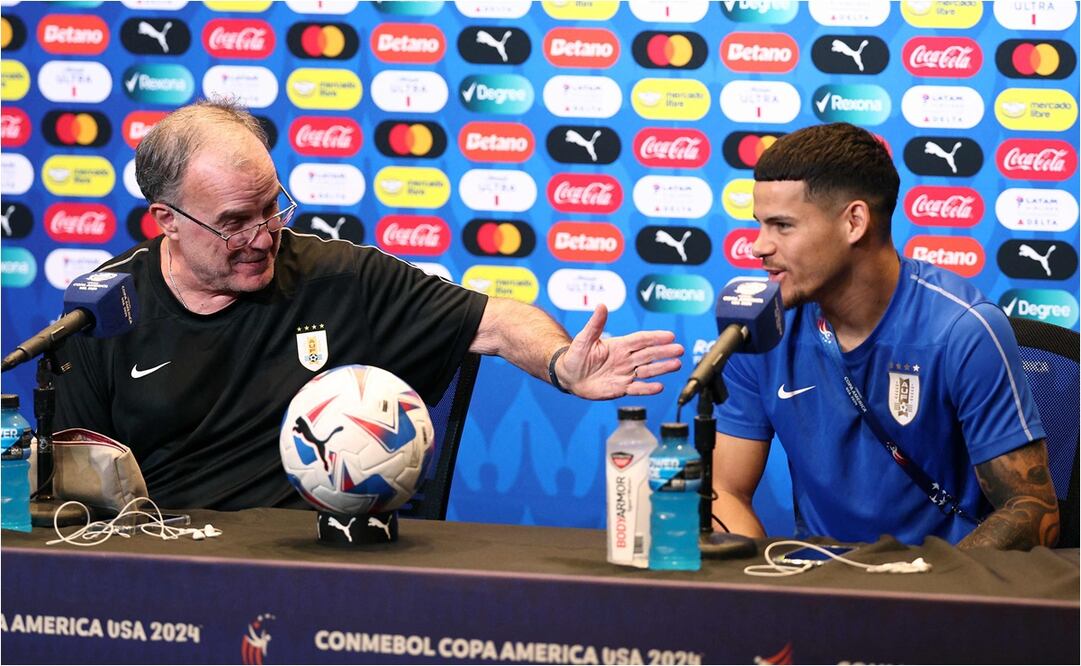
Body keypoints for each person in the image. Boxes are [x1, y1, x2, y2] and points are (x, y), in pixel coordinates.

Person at [53, 99, 683, 510]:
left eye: (272, 208)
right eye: (234, 223)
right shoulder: (104, 309)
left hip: (320, 569)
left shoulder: (340, 278)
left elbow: (497, 321)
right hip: (171, 569)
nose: (263, 236)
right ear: (166, 219)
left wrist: (558, 364)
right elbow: (77, 492)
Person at [711, 123, 1059, 550]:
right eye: (760, 225)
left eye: (782, 226)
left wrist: (918, 589)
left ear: (854, 221)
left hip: (938, 588)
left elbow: (1031, 509)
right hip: (817, 589)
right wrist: (759, 586)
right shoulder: (760, 326)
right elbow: (725, 490)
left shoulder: (962, 329)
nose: (757, 246)